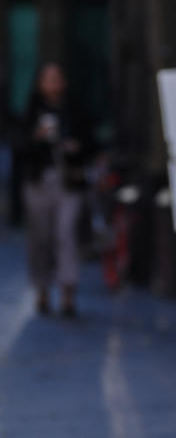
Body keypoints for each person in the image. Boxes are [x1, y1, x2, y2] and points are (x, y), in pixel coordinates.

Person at [16, 62, 89, 317]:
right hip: (39, 181)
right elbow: (20, 148)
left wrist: (76, 148)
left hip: (68, 180)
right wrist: (37, 138)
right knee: (41, 237)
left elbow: (90, 140)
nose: (53, 83)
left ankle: (68, 294)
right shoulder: (30, 112)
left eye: (57, 78)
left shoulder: (74, 110)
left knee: (65, 234)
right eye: (48, 79)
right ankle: (42, 291)